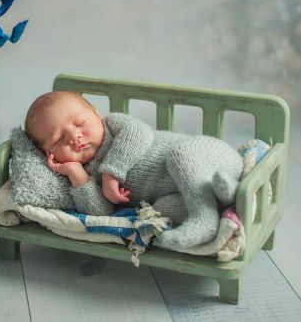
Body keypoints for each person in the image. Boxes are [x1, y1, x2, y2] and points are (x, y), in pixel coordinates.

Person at [25, 91, 243, 248]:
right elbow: (101, 212)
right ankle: (224, 197)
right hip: (191, 187)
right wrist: (76, 174)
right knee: (162, 209)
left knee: (181, 158)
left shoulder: (113, 125)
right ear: (48, 154)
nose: (74, 137)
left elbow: (140, 133)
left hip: (206, 155)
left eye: (80, 122)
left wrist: (111, 173)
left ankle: (205, 220)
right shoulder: (84, 174)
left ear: (96, 113)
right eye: (59, 139)